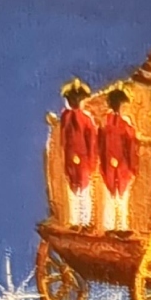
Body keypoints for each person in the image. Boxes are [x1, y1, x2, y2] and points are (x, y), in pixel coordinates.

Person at [53, 78, 100, 228]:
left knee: (83, 190)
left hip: (84, 160)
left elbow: (92, 142)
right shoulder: (66, 117)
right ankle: (76, 221)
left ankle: (84, 221)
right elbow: (64, 141)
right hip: (72, 159)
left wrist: (91, 161)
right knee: (74, 190)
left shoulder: (86, 119)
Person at [97, 86, 141, 235]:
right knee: (113, 196)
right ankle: (111, 227)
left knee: (121, 197)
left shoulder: (119, 123)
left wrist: (131, 167)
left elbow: (131, 147)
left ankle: (120, 226)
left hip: (121, 167)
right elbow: (102, 146)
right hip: (114, 165)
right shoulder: (110, 124)